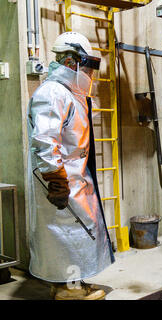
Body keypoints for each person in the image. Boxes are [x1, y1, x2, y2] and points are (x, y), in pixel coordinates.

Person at [27, 32, 115, 300]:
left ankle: (69, 283)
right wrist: (57, 180)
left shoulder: (68, 93)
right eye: (86, 65)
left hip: (74, 178)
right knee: (66, 234)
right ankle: (67, 290)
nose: (89, 73)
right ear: (70, 61)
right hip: (62, 182)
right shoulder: (53, 93)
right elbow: (43, 140)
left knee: (76, 234)